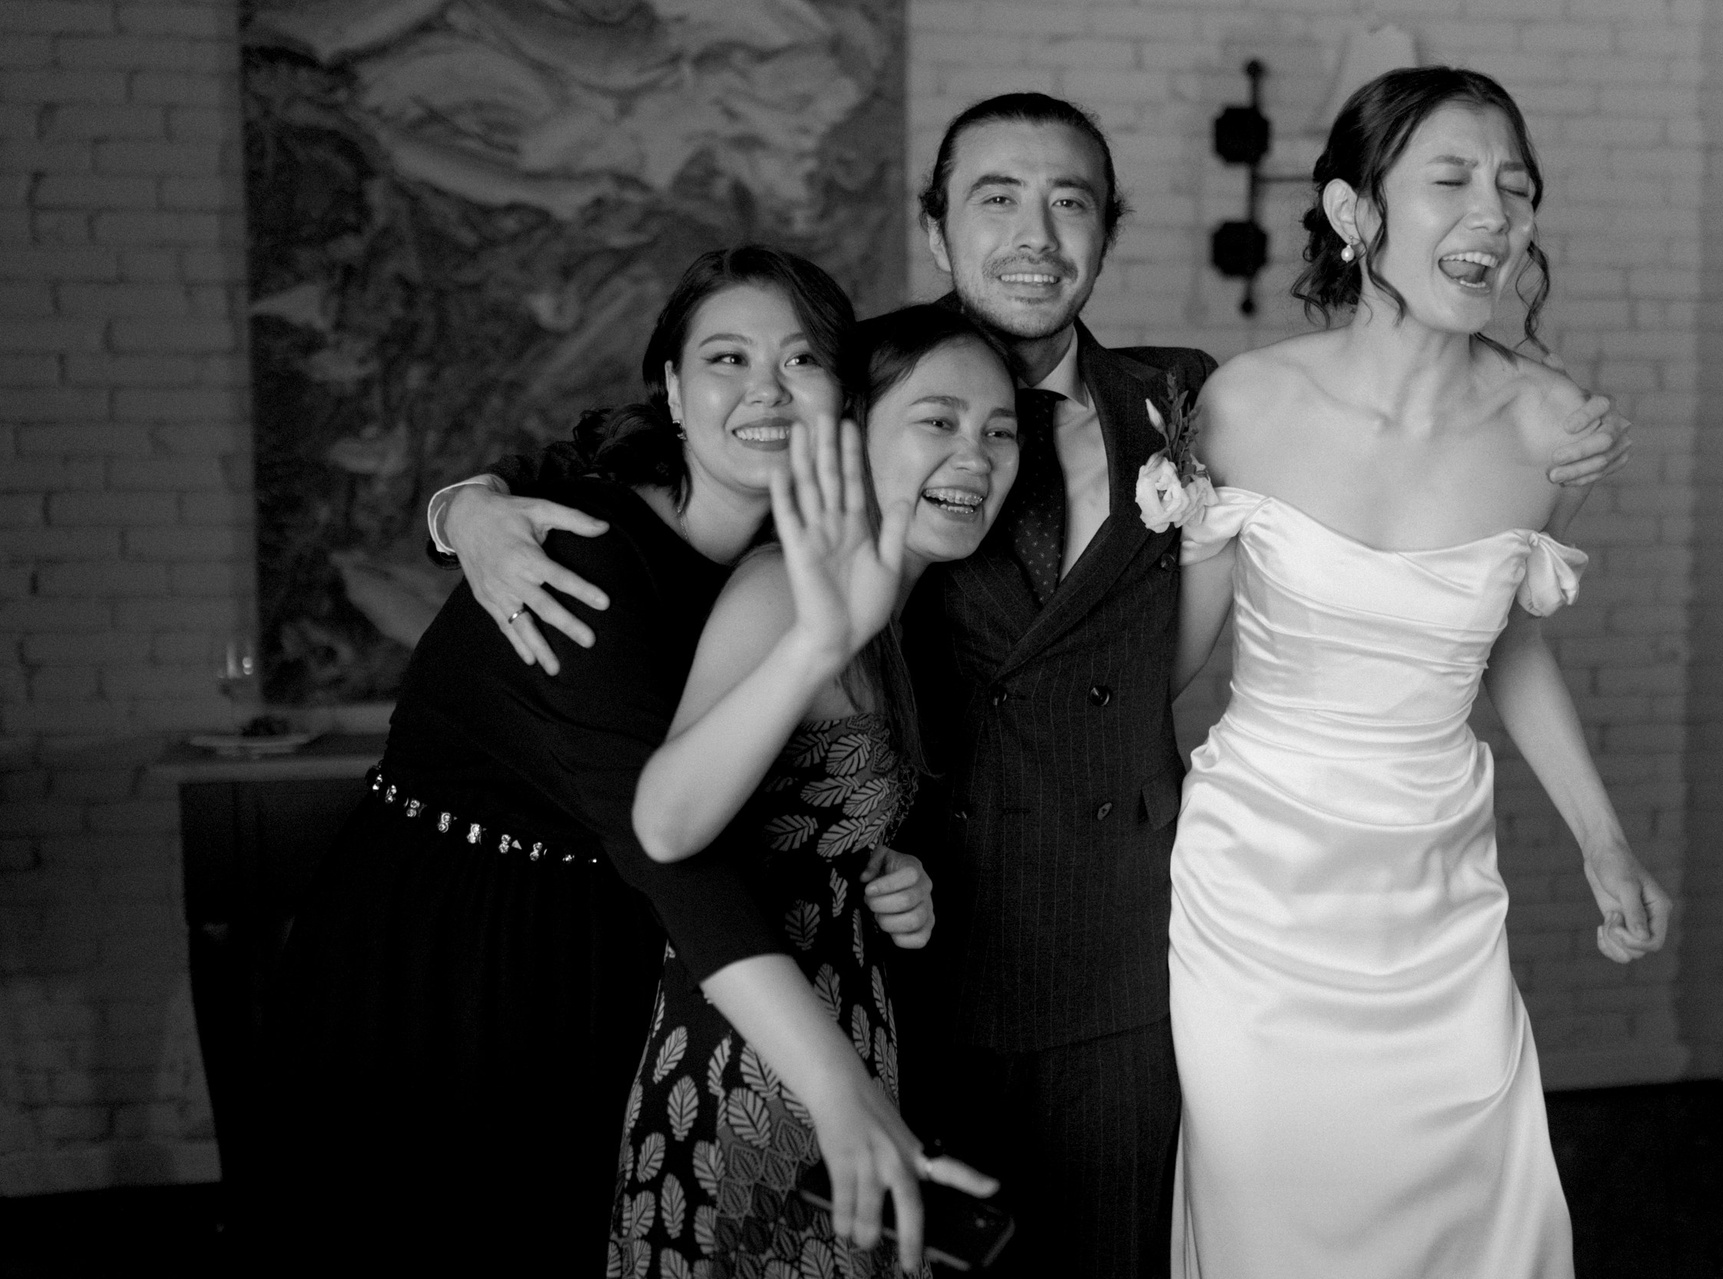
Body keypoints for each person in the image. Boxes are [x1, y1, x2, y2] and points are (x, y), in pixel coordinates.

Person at [431, 93, 1634, 1277]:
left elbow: (1410, 477)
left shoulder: (1187, 400)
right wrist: (467, 507)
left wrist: (1521, 394)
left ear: (1106, 232)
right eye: (995, 199)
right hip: (905, 971)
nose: (1035, 235)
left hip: (1127, 949)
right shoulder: (864, 386)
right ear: (937, 227)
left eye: (1071, 203)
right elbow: (688, 453)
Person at [257, 248, 949, 1276]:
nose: (766, 390)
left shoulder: (786, 567)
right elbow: (670, 848)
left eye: (803, 359)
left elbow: (752, 793)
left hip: (614, 950)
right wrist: (840, 1089)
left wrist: (882, 863)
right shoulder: (582, 556)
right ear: (671, 387)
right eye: (727, 358)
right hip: (453, 955)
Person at [1166, 67, 1673, 1277]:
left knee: (1464, 1225)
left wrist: (1605, 841)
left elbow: (1504, 639)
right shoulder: (1245, 405)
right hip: (1256, 892)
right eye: (1451, 180)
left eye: (1515, 187)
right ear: (1355, 211)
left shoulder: (1551, 424)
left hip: (1439, 896)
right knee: (1270, 1225)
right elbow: (1173, 667)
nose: (1493, 215)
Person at [607, 305, 1017, 1275]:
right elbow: (665, 821)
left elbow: (803, 816)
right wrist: (815, 644)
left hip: (852, 1034)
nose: (975, 455)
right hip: (745, 1062)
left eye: (1000, 432)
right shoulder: (784, 590)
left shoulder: (907, 612)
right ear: (848, 436)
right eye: (938, 419)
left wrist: (894, 873)